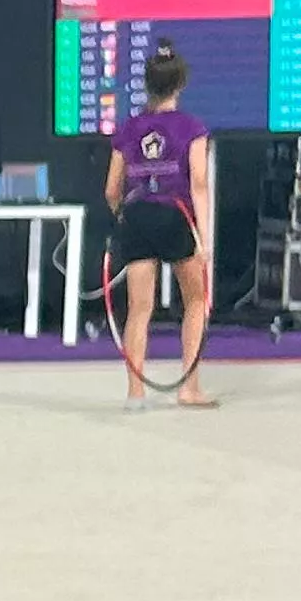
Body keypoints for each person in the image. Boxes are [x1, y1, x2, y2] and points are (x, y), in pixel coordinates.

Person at [105, 40, 216, 407]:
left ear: (147, 84)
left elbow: (111, 189)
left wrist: (124, 215)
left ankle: (135, 393)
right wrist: (205, 238)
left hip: (137, 215)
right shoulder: (192, 128)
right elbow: (198, 182)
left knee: (139, 308)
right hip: (175, 215)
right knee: (196, 300)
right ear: (180, 84)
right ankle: (189, 388)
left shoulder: (130, 127)